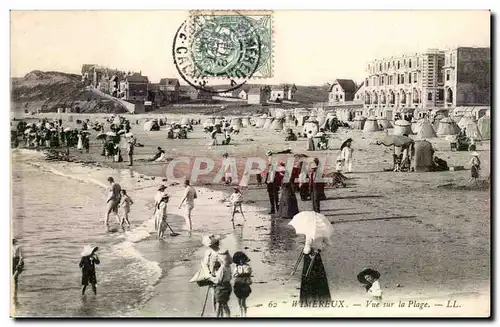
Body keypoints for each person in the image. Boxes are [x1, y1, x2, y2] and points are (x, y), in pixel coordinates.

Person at [300, 237, 331, 302]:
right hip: (317, 255)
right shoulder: (321, 231)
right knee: (319, 277)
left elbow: (307, 249)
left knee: (308, 277)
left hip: (310, 256)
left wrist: (305, 248)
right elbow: (327, 243)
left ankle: (308, 300)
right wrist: (319, 249)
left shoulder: (310, 230)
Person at [209, 250, 233, 317]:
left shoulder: (222, 268)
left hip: (221, 288)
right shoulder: (229, 267)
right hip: (228, 287)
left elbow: (218, 280)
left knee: (219, 305)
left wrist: (210, 278)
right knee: (225, 304)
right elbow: (230, 277)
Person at [203, 234, 222, 313]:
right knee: (214, 294)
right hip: (213, 274)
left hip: (217, 274)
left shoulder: (219, 251)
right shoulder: (209, 252)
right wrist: (208, 274)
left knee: (216, 294)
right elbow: (205, 264)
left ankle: (217, 311)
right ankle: (216, 311)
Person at [232, 251, 252, 318]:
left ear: (244, 259)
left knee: (243, 302)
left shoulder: (247, 266)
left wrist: (239, 274)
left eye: (242, 259)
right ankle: (241, 314)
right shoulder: (236, 267)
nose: (241, 261)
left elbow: (248, 273)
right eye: (239, 259)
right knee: (239, 303)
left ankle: (244, 315)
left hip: (244, 285)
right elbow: (234, 275)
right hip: (238, 285)